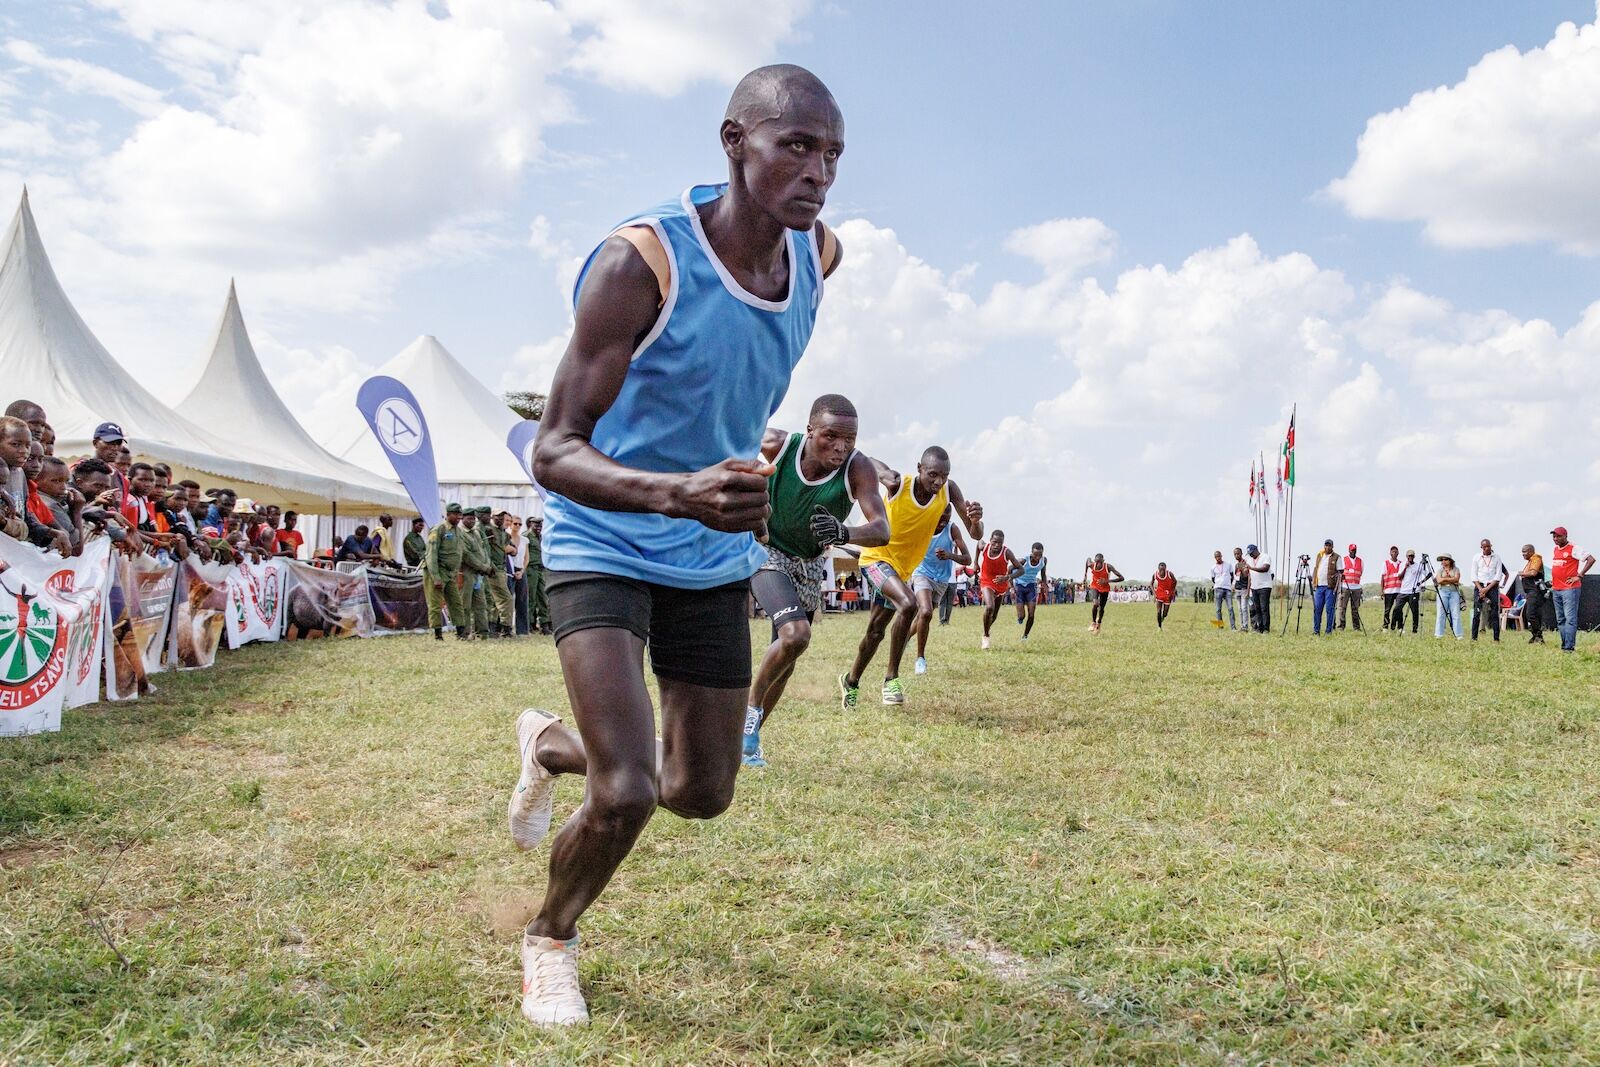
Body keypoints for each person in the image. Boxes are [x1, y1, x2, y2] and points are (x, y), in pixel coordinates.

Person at [502, 64, 845, 1028]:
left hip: (708, 553)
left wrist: (731, 497)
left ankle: (545, 744)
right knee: (627, 794)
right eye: (795, 145)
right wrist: (675, 491)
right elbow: (551, 446)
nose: (817, 171)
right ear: (734, 141)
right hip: (604, 534)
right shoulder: (641, 263)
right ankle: (551, 940)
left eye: (831, 154)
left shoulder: (819, 255)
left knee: (698, 791)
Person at [745, 395, 890, 766]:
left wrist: (845, 532)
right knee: (796, 634)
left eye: (850, 440)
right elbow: (726, 439)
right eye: (831, 436)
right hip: (767, 552)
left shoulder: (858, 469)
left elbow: (881, 529)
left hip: (810, 564)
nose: (841, 447)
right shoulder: (777, 444)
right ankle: (747, 718)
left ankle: (749, 738)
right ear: (810, 431)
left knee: (788, 655)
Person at [841, 446, 984, 705]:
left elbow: (975, 534)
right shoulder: (898, 485)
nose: (938, 482)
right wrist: (853, 462)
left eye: (944, 475)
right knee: (909, 604)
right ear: (919, 468)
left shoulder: (949, 490)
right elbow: (869, 461)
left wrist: (975, 520)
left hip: (902, 569)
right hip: (876, 558)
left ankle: (850, 681)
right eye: (932, 475)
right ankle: (891, 680)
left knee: (875, 631)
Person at [910, 505, 971, 672]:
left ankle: (905, 637)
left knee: (923, 617)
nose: (944, 522)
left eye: (947, 518)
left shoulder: (952, 529)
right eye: (941, 518)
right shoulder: (922, 525)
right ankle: (920, 659)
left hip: (942, 580)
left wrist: (949, 555)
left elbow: (967, 559)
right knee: (926, 612)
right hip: (922, 573)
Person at [425, 503, 469, 641]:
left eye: (460, 515)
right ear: (448, 514)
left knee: (456, 602)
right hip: (437, 571)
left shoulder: (459, 531)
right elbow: (431, 555)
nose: (458, 518)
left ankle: (461, 632)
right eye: (456, 514)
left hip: (451, 573)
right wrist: (436, 577)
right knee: (435, 604)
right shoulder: (439, 529)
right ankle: (438, 634)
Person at [1549, 526, 1593, 653]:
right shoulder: (1555, 549)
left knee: (1570, 618)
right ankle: (1564, 645)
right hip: (1556, 588)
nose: (1555, 539)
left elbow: (1591, 559)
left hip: (1570, 589)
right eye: (1554, 536)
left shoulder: (1574, 548)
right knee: (1560, 619)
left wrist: (1579, 575)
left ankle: (1569, 647)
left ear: (1565, 536)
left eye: (1558, 536)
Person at [975, 530, 1020, 650]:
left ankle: (987, 628)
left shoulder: (1007, 552)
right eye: (994, 542)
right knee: (990, 607)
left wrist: (1008, 577)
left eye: (999, 543)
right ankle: (986, 636)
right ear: (990, 540)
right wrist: (976, 563)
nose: (996, 546)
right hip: (986, 580)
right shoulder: (984, 547)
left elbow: (1021, 570)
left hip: (1001, 583)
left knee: (994, 615)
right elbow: (978, 544)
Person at [459, 509, 493, 638]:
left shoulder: (476, 532)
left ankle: (483, 632)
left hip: (478, 574)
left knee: (481, 604)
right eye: (469, 518)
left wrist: (487, 565)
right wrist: (484, 567)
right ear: (463, 518)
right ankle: (464, 632)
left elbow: (483, 551)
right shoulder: (461, 533)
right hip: (465, 573)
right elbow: (467, 555)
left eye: (473, 518)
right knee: (465, 605)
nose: (472, 521)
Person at [1471, 538, 1505, 642]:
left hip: (1492, 586)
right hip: (1479, 586)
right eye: (1484, 547)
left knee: (1494, 613)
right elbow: (1473, 575)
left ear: (1491, 546)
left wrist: (1487, 589)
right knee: (1477, 613)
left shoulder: (1497, 557)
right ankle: (1474, 638)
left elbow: (1498, 575)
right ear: (1481, 547)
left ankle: (1496, 639)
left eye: (1488, 546)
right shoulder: (1476, 557)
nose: (1487, 548)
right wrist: (1481, 590)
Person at [1012, 542, 1048, 640]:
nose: (1037, 557)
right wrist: (1011, 587)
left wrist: (1045, 585)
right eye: (1035, 554)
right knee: (1022, 616)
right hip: (1020, 586)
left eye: (1040, 555)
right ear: (1031, 552)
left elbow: (1043, 573)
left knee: (1031, 614)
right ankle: (1020, 618)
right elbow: (1010, 568)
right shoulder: (1024, 560)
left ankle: (1025, 635)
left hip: (1031, 586)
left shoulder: (1043, 560)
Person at [1084, 553, 1123, 634]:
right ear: (1095, 561)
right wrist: (1085, 575)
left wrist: (1107, 581)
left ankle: (1099, 623)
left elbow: (1121, 578)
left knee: (1101, 608)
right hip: (1095, 586)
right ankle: (1093, 623)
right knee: (1095, 604)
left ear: (1103, 561)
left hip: (1105, 588)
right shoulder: (1092, 565)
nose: (1098, 564)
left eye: (1100, 562)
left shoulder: (1108, 567)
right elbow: (1088, 559)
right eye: (1097, 562)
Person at [1517, 544, 1547, 644]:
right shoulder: (1530, 561)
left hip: (1535, 591)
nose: (1523, 554)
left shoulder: (1536, 558)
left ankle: (1538, 636)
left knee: (1531, 614)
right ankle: (1536, 636)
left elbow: (1533, 573)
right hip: (1530, 591)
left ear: (1530, 551)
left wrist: (1521, 573)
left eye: (1524, 552)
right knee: (1533, 614)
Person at [525, 516, 550, 635]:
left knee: (543, 598)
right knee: (531, 598)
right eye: (536, 525)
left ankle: (544, 624)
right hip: (531, 569)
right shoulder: (526, 536)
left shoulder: (541, 537)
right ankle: (529, 624)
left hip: (541, 570)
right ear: (530, 525)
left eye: (540, 525)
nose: (538, 527)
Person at [1310, 538, 1340, 636]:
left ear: (1332, 546)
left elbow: (1340, 573)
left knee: (1329, 610)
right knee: (1317, 609)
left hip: (1330, 587)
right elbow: (1316, 568)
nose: (1327, 547)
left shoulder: (1337, 557)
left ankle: (1328, 631)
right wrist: (1314, 582)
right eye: (1326, 545)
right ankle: (1316, 631)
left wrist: (1336, 587)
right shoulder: (1320, 555)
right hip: (1319, 587)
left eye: (1329, 545)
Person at [1434, 552, 1463, 639]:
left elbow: (1457, 579)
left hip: (1454, 592)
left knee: (1455, 614)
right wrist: (1451, 579)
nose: (1443, 561)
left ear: (1450, 561)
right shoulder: (1440, 570)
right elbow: (1439, 580)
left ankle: (1458, 634)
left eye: (1445, 559)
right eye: (1442, 559)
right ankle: (1439, 634)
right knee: (1441, 613)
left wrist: (1444, 579)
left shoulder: (1456, 569)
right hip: (1443, 591)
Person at [1246, 544, 1273, 633]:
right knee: (1257, 608)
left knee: (1264, 608)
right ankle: (1259, 628)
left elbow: (1265, 568)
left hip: (1264, 586)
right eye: (1249, 553)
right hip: (1254, 587)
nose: (1251, 555)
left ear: (1256, 550)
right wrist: (1248, 589)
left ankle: (1266, 629)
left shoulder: (1265, 557)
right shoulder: (1249, 560)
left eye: (1252, 553)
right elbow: (1249, 576)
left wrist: (1252, 568)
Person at [1338, 543, 1364, 632]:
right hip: (1345, 586)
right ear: (1349, 550)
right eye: (1352, 550)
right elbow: (1340, 572)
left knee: (1355, 608)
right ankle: (1341, 626)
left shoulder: (1360, 561)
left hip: (1356, 587)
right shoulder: (1343, 559)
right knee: (1342, 607)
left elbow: (1361, 572)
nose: (1353, 551)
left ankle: (1356, 627)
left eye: (1355, 550)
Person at [1209, 550, 1236, 629]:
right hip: (1218, 589)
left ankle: (1233, 627)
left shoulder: (1228, 565)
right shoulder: (1213, 567)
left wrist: (1228, 584)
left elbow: (1232, 576)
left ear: (1221, 556)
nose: (1218, 558)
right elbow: (1213, 579)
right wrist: (1219, 584)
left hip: (1227, 589)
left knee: (1230, 608)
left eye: (1219, 556)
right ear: (1215, 558)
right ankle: (1220, 626)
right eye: (1216, 557)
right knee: (1218, 609)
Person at [1380, 546, 1402, 631]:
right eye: (1393, 552)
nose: (1394, 553)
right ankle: (1385, 626)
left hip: (1399, 590)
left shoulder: (1401, 563)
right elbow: (1382, 578)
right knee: (1387, 610)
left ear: (1398, 553)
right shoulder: (1385, 563)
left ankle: (1399, 627)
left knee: (1399, 609)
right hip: (1388, 590)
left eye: (1396, 552)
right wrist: (1382, 591)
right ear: (1390, 553)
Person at [1151, 562, 1176, 629]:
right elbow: (1151, 584)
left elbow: (1175, 581)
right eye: (1160, 570)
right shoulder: (1155, 575)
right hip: (1159, 594)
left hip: (1168, 595)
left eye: (1163, 570)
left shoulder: (1169, 574)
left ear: (1165, 569)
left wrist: (1172, 591)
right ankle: (1159, 627)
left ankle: (1162, 618)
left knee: (1165, 613)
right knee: (1159, 612)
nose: (1161, 571)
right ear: (1158, 569)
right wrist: (1154, 594)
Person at [1232, 547, 1251, 630]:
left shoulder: (1245, 563)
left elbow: (1248, 576)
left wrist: (1248, 591)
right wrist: (1233, 585)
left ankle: (1245, 626)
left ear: (1241, 554)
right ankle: (1242, 625)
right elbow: (1236, 576)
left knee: (1244, 608)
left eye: (1238, 553)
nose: (1236, 555)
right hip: (1237, 589)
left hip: (1244, 589)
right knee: (1239, 609)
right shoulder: (1236, 565)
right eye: (1235, 554)